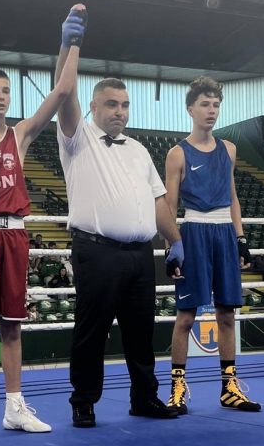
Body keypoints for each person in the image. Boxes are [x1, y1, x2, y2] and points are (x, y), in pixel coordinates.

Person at [0, 5, 86, 440]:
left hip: (14, 234)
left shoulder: (20, 135)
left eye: (6, 90)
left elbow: (63, 90)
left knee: (12, 326)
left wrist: (70, 42)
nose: (1, 96)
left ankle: (14, 408)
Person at [55, 69, 184, 424]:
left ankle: (144, 398)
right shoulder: (77, 137)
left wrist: (176, 240)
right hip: (97, 251)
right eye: (111, 104)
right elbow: (64, 93)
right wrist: (70, 47)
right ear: (93, 106)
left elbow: (158, 201)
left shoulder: (139, 150)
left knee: (141, 331)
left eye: (125, 105)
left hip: (140, 254)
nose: (120, 111)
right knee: (92, 330)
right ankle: (83, 401)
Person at [163, 77, 260, 416]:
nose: (211, 110)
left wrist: (241, 238)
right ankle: (177, 388)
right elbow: (168, 205)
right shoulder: (177, 153)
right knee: (186, 316)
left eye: (216, 105)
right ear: (190, 109)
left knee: (227, 313)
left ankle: (229, 388)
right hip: (193, 233)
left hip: (224, 233)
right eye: (205, 104)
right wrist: (171, 246)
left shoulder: (229, 149)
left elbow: (232, 197)